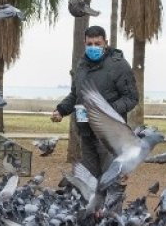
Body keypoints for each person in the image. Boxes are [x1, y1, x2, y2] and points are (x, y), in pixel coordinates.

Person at [51, 25, 139, 178]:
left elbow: (131, 98)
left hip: (110, 135)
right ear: (84, 43)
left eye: (97, 44)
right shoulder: (82, 65)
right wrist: (61, 110)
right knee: (91, 182)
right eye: (89, 44)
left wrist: (107, 110)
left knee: (110, 180)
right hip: (85, 132)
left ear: (106, 43)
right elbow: (75, 94)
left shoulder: (119, 65)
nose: (93, 47)